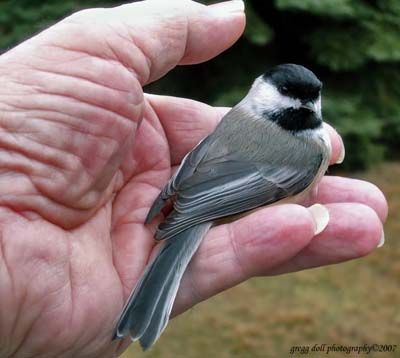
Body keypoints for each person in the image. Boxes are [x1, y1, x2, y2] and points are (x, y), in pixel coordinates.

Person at [0, 0, 387, 356]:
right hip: (204, 200)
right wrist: (184, 210)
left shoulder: (286, 138)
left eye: (310, 97)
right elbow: (231, 181)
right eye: (287, 93)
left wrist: (178, 201)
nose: (301, 104)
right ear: (262, 92)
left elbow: (199, 162)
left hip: (196, 192)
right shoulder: (298, 147)